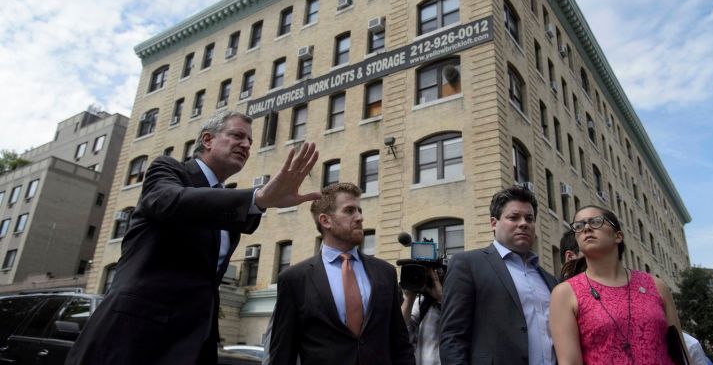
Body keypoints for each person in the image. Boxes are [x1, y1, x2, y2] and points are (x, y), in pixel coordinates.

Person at [66, 110, 320, 365]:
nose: (246, 145)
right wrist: (258, 198)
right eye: (237, 136)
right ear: (207, 139)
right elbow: (170, 202)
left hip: (191, 345)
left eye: (250, 141)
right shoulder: (168, 170)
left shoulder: (230, 209)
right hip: (131, 339)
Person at [268, 182, 415, 365]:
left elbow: (400, 344)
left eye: (359, 211)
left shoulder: (385, 272)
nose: (360, 217)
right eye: (349, 211)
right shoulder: (294, 279)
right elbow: (282, 354)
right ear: (325, 221)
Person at [549, 205, 689, 365]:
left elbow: (682, 354)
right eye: (579, 226)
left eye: (596, 222)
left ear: (618, 236)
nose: (586, 228)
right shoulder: (565, 294)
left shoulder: (657, 286)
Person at [440, 186, 559, 365]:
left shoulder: (550, 280)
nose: (523, 224)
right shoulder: (468, 264)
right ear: (494, 223)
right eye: (513, 217)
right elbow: (453, 337)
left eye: (529, 218)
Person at [401, 267, 443, 365]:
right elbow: (402, 333)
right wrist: (409, 297)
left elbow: (457, 327)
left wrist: (441, 298)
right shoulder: (421, 302)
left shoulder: (455, 301)